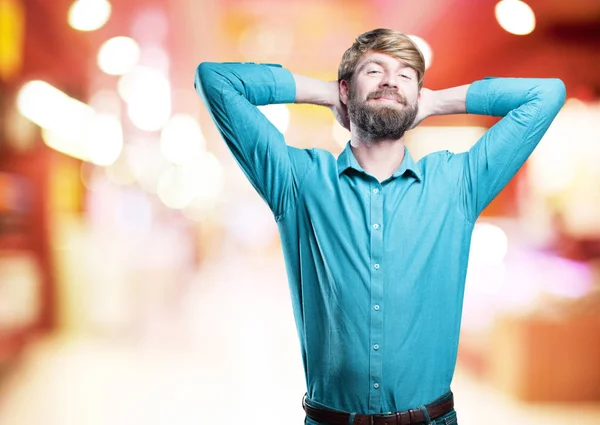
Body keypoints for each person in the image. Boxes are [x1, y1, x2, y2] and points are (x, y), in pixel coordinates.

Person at [194, 28, 566, 425]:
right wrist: (326, 93)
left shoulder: (458, 183)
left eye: (406, 75)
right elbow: (214, 80)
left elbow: (546, 95)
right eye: (374, 70)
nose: (391, 79)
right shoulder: (298, 181)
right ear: (346, 89)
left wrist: (437, 101)